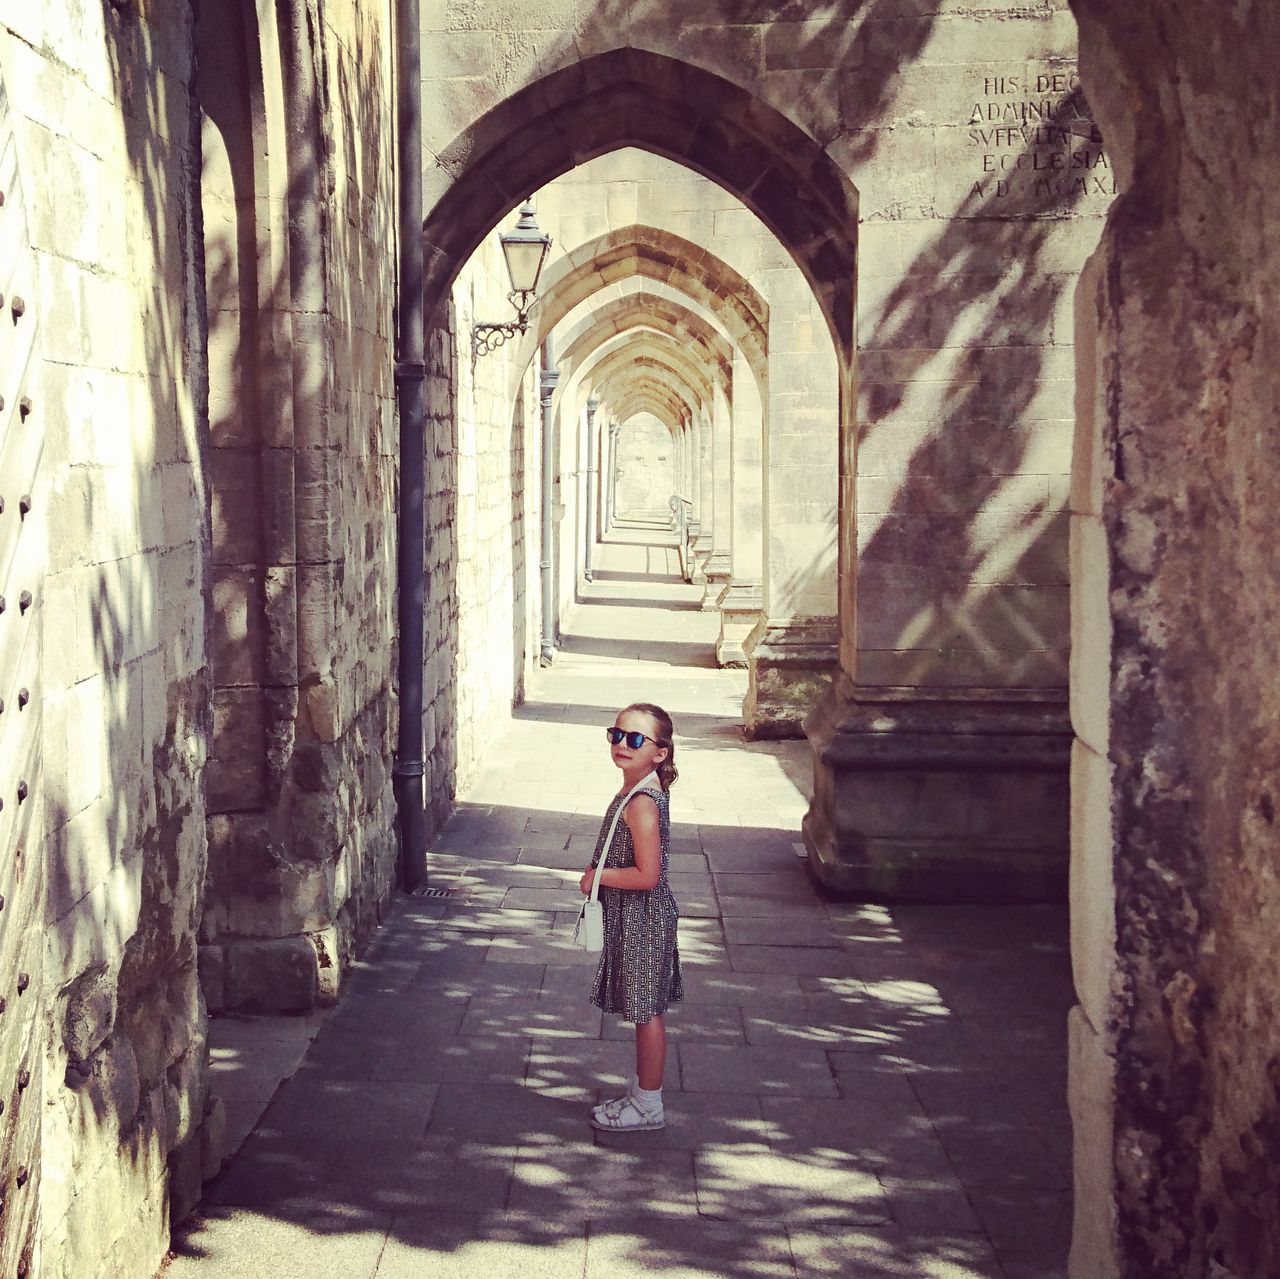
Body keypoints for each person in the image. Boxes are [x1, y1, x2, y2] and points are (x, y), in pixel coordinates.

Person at [578, 702, 684, 1131]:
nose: (623, 744)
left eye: (636, 739)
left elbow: (648, 875)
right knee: (644, 1009)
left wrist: (596, 877)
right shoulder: (638, 787)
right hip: (636, 918)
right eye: (617, 734)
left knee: (646, 1013)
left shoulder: (641, 801)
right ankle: (640, 1097)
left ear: (659, 752)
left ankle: (648, 1106)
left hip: (643, 919)